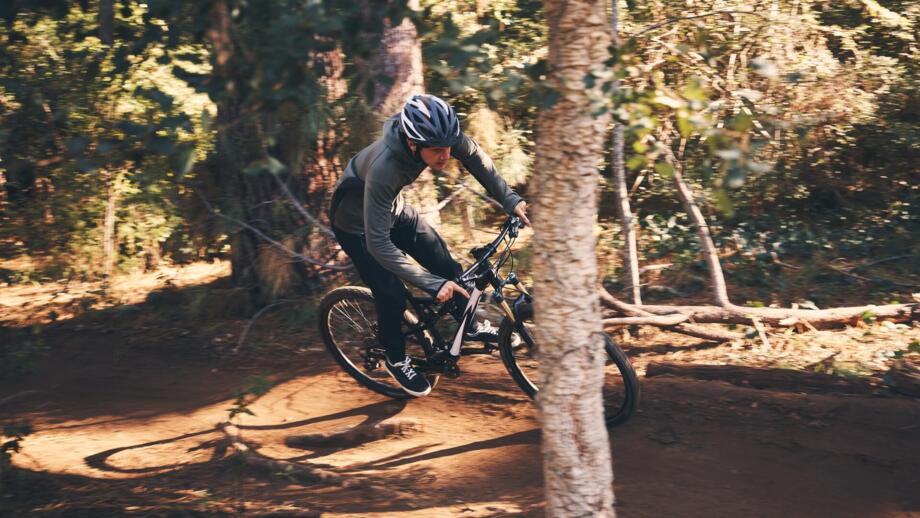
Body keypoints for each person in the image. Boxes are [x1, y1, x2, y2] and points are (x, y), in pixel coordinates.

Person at [329, 94, 530, 397]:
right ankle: (395, 357)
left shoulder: (441, 136)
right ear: (413, 144)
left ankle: (470, 326)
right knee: (392, 294)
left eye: (448, 147)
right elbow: (378, 243)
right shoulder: (386, 167)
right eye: (437, 151)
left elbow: (477, 159)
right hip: (358, 229)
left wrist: (510, 200)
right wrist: (431, 284)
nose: (445, 155)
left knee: (449, 268)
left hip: (393, 212)